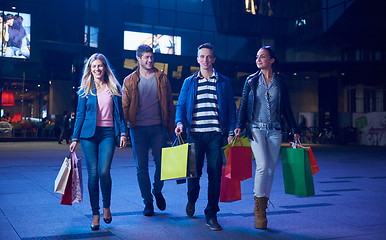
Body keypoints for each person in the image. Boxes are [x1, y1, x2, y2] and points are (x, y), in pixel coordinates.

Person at [234, 46, 300, 229]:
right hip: (255, 128)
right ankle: (258, 209)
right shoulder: (251, 80)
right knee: (262, 166)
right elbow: (243, 105)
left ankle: (263, 204)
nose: (259, 59)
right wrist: (239, 126)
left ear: (271, 60)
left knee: (270, 169)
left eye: (263, 57)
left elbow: (286, 107)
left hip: (275, 130)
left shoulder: (280, 81)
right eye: (257, 57)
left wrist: (294, 128)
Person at [175, 43, 236, 231]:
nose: (205, 60)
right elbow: (181, 105)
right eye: (202, 56)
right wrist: (179, 123)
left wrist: (232, 131)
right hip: (194, 135)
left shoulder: (224, 82)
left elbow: (231, 109)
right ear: (197, 59)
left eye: (209, 56)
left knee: (215, 174)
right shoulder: (189, 82)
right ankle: (191, 199)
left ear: (214, 59)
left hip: (216, 136)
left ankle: (211, 213)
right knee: (194, 175)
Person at [69, 53, 127, 231]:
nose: (97, 69)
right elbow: (80, 114)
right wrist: (74, 138)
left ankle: (107, 207)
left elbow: (119, 114)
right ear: (90, 69)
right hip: (88, 136)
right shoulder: (85, 89)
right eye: (94, 66)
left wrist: (123, 133)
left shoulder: (113, 87)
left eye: (100, 66)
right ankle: (95, 213)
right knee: (93, 173)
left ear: (105, 68)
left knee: (104, 171)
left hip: (108, 134)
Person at [122, 44, 175, 217]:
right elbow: (124, 106)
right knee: (141, 168)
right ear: (138, 58)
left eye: (151, 57)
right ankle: (148, 202)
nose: (149, 60)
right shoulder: (129, 80)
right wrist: (123, 130)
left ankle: (157, 190)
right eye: (146, 57)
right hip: (137, 130)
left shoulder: (162, 78)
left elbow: (169, 104)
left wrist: (172, 127)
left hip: (158, 127)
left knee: (162, 165)